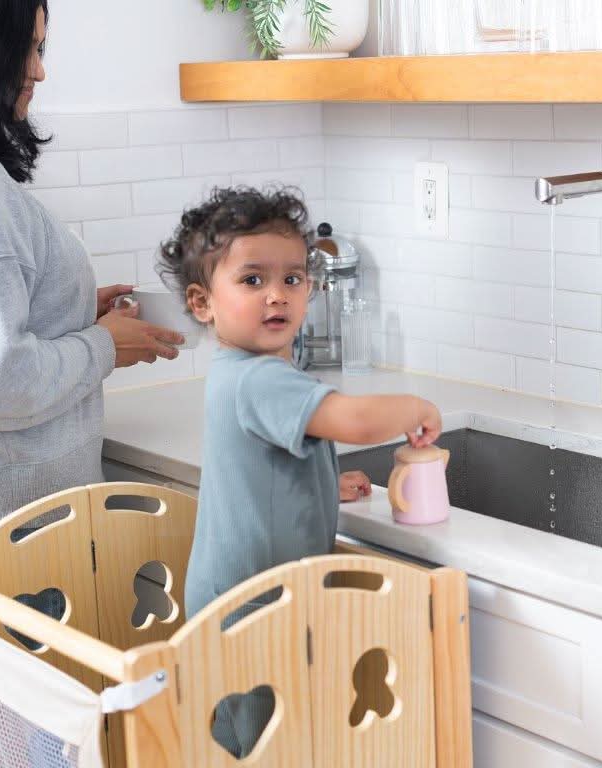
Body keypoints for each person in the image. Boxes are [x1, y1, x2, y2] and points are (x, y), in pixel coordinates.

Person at [0, 3, 184, 764]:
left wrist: (79, 311)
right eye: (28, 49)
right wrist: (103, 346)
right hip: (1, 539)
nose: (38, 71)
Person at [157, 186, 442, 758]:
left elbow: (255, 473)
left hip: (244, 595)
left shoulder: (241, 372)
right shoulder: (262, 379)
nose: (276, 296)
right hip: (250, 606)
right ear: (202, 302)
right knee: (262, 745)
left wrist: (319, 484)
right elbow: (354, 420)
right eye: (252, 280)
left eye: (292, 279)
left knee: (257, 738)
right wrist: (416, 407)